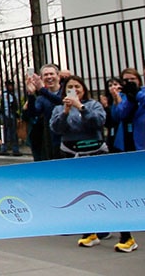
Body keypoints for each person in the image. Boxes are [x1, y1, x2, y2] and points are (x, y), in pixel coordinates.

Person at [47, 74, 124, 249]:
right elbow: (56, 128)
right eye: (69, 88)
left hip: (94, 151)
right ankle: (88, 230)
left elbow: (98, 122)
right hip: (71, 153)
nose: (74, 91)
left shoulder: (93, 105)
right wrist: (66, 111)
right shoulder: (59, 108)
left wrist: (80, 107)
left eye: (77, 87)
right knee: (79, 192)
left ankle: (105, 227)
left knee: (99, 190)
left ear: (84, 89)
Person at [112, 54, 145, 267]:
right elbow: (120, 115)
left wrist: (141, 97)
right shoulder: (142, 92)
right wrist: (130, 98)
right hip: (143, 156)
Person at [25, 63, 63, 160]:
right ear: (41, 79)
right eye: (45, 75)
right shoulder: (41, 98)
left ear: (58, 76)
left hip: (67, 136)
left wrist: (42, 89)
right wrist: (30, 95)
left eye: (51, 74)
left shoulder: (65, 91)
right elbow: (33, 114)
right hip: (51, 139)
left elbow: (60, 101)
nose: (49, 77)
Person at [0, 79, 22, 156]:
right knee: (12, 133)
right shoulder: (9, 95)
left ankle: (5, 149)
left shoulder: (6, 94)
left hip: (7, 115)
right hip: (9, 115)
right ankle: (13, 149)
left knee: (8, 133)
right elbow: (12, 105)